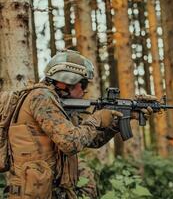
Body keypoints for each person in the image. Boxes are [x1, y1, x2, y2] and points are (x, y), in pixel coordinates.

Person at [5, 50, 155, 199]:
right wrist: (96, 119)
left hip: (47, 189)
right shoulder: (41, 97)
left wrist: (120, 120)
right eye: (82, 84)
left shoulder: (58, 103)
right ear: (64, 82)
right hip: (32, 192)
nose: (85, 90)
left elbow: (91, 139)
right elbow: (70, 143)